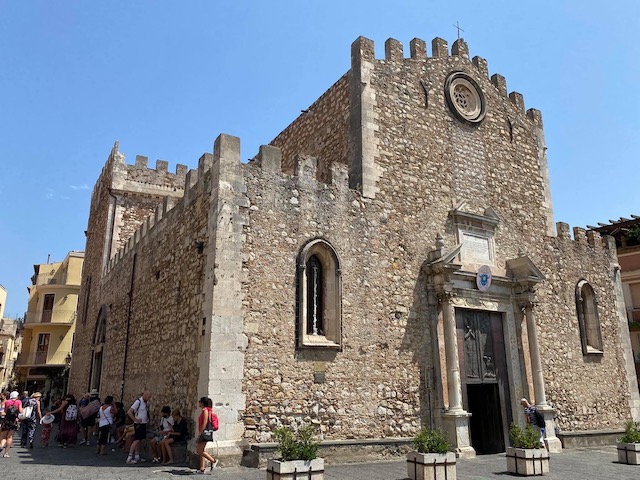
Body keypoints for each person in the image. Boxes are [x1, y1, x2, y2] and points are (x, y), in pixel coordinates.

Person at [126, 390, 151, 464]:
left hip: (143, 424)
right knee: (136, 440)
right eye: (148, 397)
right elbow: (129, 412)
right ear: (145, 395)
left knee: (139, 440)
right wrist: (135, 419)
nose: (149, 399)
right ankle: (129, 457)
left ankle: (137, 456)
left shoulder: (145, 403)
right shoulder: (138, 402)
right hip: (139, 424)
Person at [195, 397, 218, 474]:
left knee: (199, 450)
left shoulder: (205, 410)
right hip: (205, 432)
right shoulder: (208, 410)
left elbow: (205, 422)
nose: (199, 403)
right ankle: (202, 468)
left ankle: (213, 461)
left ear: (202, 403)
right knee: (202, 450)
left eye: (200, 402)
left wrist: (200, 433)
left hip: (203, 432)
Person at [0, 391, 23, 457]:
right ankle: (6, 453)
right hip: (13, 421)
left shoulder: (7, 402)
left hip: (6, 420)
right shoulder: (19, 402)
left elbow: (5, 411)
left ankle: (1, 446)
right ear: (17, 396)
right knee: (9, 437)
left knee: (3, 436)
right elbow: (21, 411)